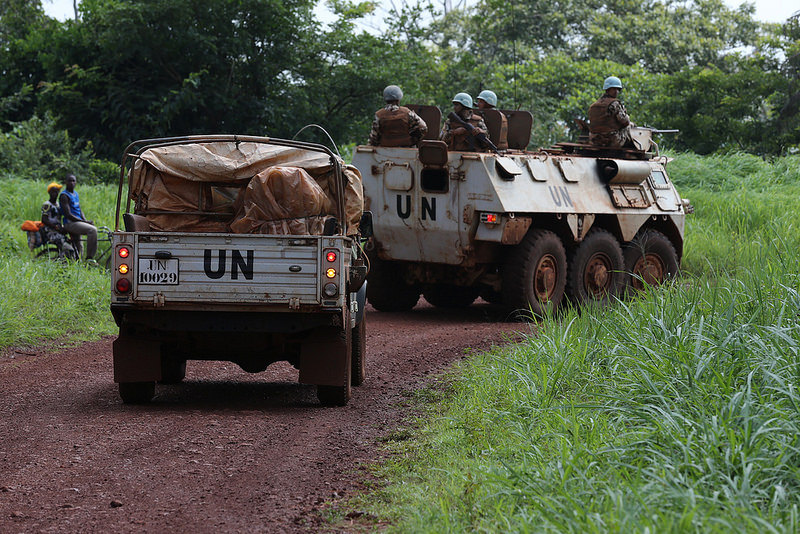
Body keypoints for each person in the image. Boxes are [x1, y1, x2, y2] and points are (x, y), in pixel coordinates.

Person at [59, 173, 97, 261]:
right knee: (92, 230)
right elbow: (68, 214)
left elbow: (79, 210)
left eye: (73, 181)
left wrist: (85, 220)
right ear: (65, 182)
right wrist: (84, 222)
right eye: (69, 181)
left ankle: (77, 263)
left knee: (79, 247)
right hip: (70, 223)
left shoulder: (75, 194)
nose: (72, 183)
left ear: (76, 182)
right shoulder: (64, 195)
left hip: (77, 222)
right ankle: (90, 258)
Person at [588, 76, 634, 148]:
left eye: (618, 89)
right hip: (612, 141)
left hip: (594, 141)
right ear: (607, 90)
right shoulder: (614, 103)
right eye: (614, 89)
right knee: (630, 126)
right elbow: (625, 121)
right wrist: (626, 115)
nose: (616, 92)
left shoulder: (593, 105)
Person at [41, 182, 75, 258]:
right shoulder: (47, 205)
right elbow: (44, 220)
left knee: (71, 244)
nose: (55, 193)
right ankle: (61, 264)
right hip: (51, 232)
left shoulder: (58, 205)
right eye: (53, 191)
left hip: (58, 231)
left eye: (56, 191)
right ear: (49, 192)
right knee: (68, 249)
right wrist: (55, 227)